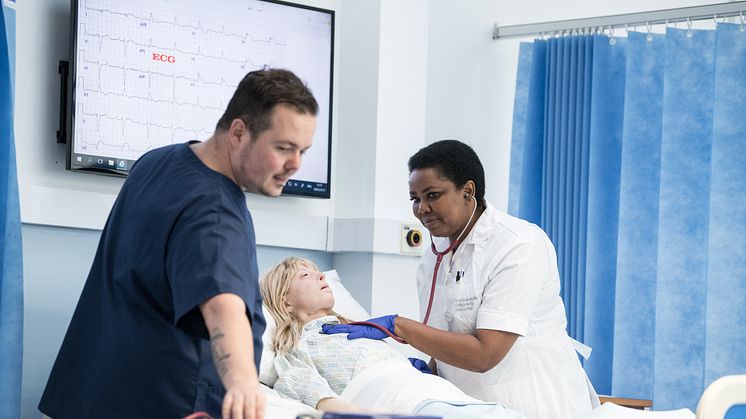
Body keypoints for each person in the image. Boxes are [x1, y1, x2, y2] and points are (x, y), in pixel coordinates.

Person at [39, 69, 318, 419]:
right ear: (238, 132)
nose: (295, 165)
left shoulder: (157, 161)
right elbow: (222, 308)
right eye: (284, 148)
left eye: (303, 151)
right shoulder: (215, 213)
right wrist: (245, 382)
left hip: (93, 393)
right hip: (168, 403)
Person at [323, 140, 600, 419]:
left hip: (534, 404)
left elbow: (485, 354)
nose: (421, 208)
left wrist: (399, 326)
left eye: (432, 195)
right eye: (415, 198)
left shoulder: (517, 245)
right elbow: (445, 333)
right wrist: (423, 374)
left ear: (468, 191)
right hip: (465, 405)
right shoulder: (435, 254)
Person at [259, 257, 528, 419]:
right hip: (408, 404)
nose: (319, 275)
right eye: (304, 275)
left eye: (316, 270)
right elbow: (318, 397)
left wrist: (412, 367)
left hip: (443, 395)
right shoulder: (297, 347)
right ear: (286, 302)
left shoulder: (359, 332)